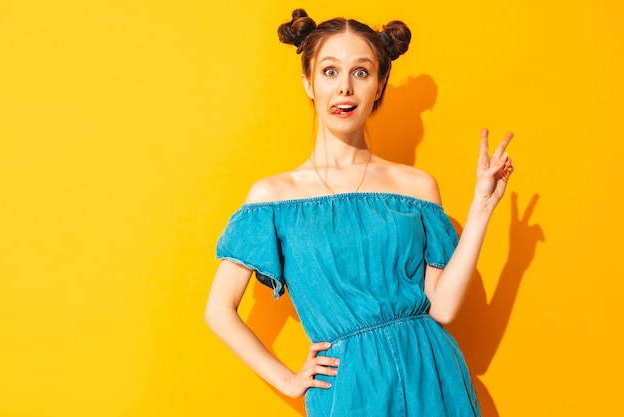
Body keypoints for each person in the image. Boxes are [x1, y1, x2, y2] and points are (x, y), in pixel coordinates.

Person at [205, 8, 514, 417]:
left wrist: (481, 208)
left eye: (361, 73)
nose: (345, 89)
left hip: (433, 376)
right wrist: (287, 380)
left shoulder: (416, 186)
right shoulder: (273, 196)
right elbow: (218, 310)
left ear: (380, 84)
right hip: (349, 388)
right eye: (330, 72)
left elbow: (443, 308)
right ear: (308, 83)